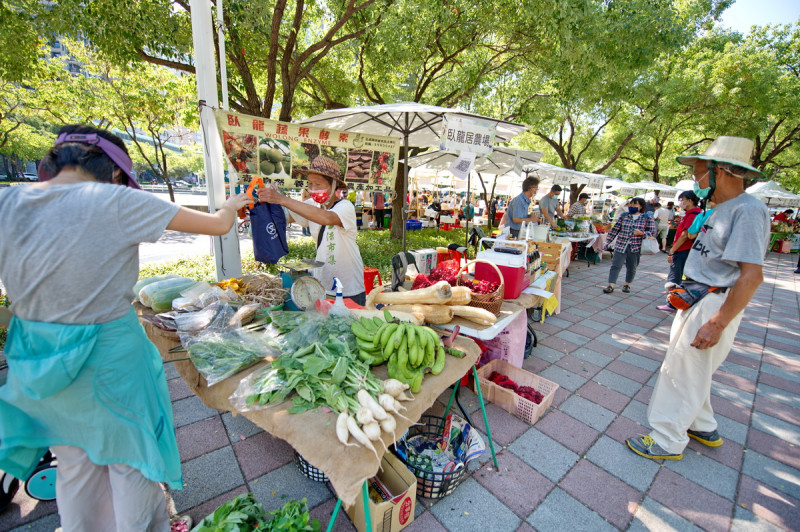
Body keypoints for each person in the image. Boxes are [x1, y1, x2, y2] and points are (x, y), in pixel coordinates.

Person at [0, 125, 251, 531]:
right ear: (115, 171)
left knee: (74, 463)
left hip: (36, 358)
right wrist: (230, 203)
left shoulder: (8, 199)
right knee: (131, 462)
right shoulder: (115, 199)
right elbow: (219, 225)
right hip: (108, 359)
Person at [627, 136, 769, 461]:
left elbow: (752, 276)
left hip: (713, 303)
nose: (696, 180)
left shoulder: (748, 212)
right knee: (693, 369)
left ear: (722, 171)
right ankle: (703, 425)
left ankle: (666, 440)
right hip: (698, 297)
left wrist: (718, 323)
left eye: (700, 172)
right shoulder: (723, 208)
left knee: (680, 372)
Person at [259, 156, 366, 305]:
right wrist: (267, 204)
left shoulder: (345, 206)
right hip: (323, 284)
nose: (313, 189)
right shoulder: (312, 205)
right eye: (310, 184)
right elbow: (285, 217)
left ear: (334, 185)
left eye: (318, 184)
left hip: (348, 288)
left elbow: (326, 218)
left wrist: (282, 199)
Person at [657, 191, 702, 312]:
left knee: (675, 277)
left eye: (682, 200)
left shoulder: (693, 215)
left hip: (683, 250)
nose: (681, 202)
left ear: (690, 200)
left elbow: (685, 235)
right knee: (678, 276)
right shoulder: (692, 214)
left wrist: (672, 250)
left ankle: (672, 303)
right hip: (684, 250)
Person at [602, 197, 657, 293]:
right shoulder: (624, 216)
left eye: (634, 205)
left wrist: (642, 233)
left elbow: (652, 233)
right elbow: (615, 230)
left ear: (641, 206)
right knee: (615, 265)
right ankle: (611, 285)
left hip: (635, 247)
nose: (632, 207)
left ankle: (627, 284)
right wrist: (607, 242)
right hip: (621, 245)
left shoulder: (647, 218)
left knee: (632, 267)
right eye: (630, 205)